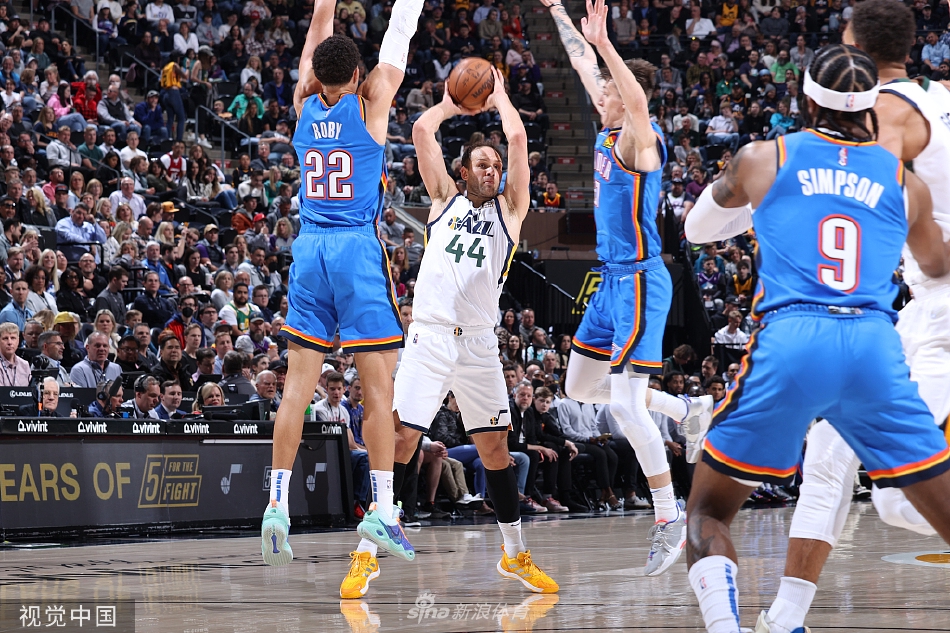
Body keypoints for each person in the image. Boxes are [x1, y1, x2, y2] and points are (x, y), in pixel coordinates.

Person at [681, 44, 950, 633]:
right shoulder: (906, 184)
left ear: (805, 101)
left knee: (707, 512)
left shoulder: (762, 158)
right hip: (874, 346)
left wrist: (764, 205)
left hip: (793, 340)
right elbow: (936, 265)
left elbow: (697, 229)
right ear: (872, 106)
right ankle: (786, 616)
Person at [753, 5, 950, 632]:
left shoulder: (889, 110)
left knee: (897, 498)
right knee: (827, 450)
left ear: (856, 47)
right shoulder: (939, 95)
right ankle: (785, 617)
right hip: (924, 302)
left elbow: (859, 196)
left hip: (942, 306)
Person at [374, 67, 557, 599]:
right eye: (483, 164)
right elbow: (420, 131)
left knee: (497, 449)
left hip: (478, 343)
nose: (493, 170)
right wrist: (454, 105)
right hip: (430, 337)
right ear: (464, 171)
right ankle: (369, 549)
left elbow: (518, 138)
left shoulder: (511, 211)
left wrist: (499, 97)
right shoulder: (443, 199)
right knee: (403, 437)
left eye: (496, 165)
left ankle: (514, 553)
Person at [543, 0, 710, 576]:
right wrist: (559, 13)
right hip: (610, 282)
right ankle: (685, 408)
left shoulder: (641, 141)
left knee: (623, 405)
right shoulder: (610, 121)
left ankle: (669, 516)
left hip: (641, 279)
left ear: (627, 94)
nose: (600, 97)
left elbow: (633, 98)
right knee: (580, 386)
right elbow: (582, 66)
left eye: (609, 90)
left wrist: (607, 45)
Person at [262, 0, 425, 574]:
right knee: (378, 389)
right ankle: (382, 509)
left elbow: (318, 28)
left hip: (308, 249)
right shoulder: (371, 103)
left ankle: (276, 506)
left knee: (295, 389)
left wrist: (326, 6)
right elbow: (398, 37)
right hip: (355, 248)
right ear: (357, 74)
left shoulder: (303, 104)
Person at [0, 322, 29, 386]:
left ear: (18, 341)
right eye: (5, 338)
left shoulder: (24, 365)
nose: (9, 342)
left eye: (13, 338)